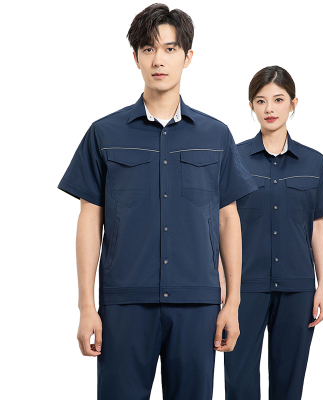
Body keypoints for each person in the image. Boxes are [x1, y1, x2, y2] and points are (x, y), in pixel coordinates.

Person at [57, 4, 258, 400]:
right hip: (125, 304)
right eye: (148, 49)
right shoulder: (104, 133)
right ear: (135, 58)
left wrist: (233, 302)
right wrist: (86, 306)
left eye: (169, 49)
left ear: (188, 56)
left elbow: (228, 220)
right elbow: (89, 220)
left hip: (197, 305)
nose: (158, 60)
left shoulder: (216, 135)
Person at [222, 65, 323, 400]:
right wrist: (223, 287)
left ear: (293, 103)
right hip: (244, 287)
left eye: (278, 99)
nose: (270, 109)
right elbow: (221, 224)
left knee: (289, 385)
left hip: (297, 288)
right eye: (261, 101)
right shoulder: (233, 158)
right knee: (239, 382)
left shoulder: (314, 162)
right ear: (251, 106)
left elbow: (317, 226)